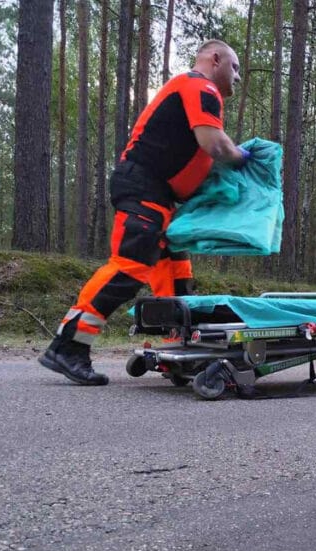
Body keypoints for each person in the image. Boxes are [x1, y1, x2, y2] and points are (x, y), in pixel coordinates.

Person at [39, 40, 247, 385]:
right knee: (130, 267)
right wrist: (246, 158)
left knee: (176, 272)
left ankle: (180, 352)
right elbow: (215, 143)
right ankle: (68, 345)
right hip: (144, 187)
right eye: (235, 67)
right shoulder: (201, 86)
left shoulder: (193, 90)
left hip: (160, 195)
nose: (237, 78)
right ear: (215, 59)